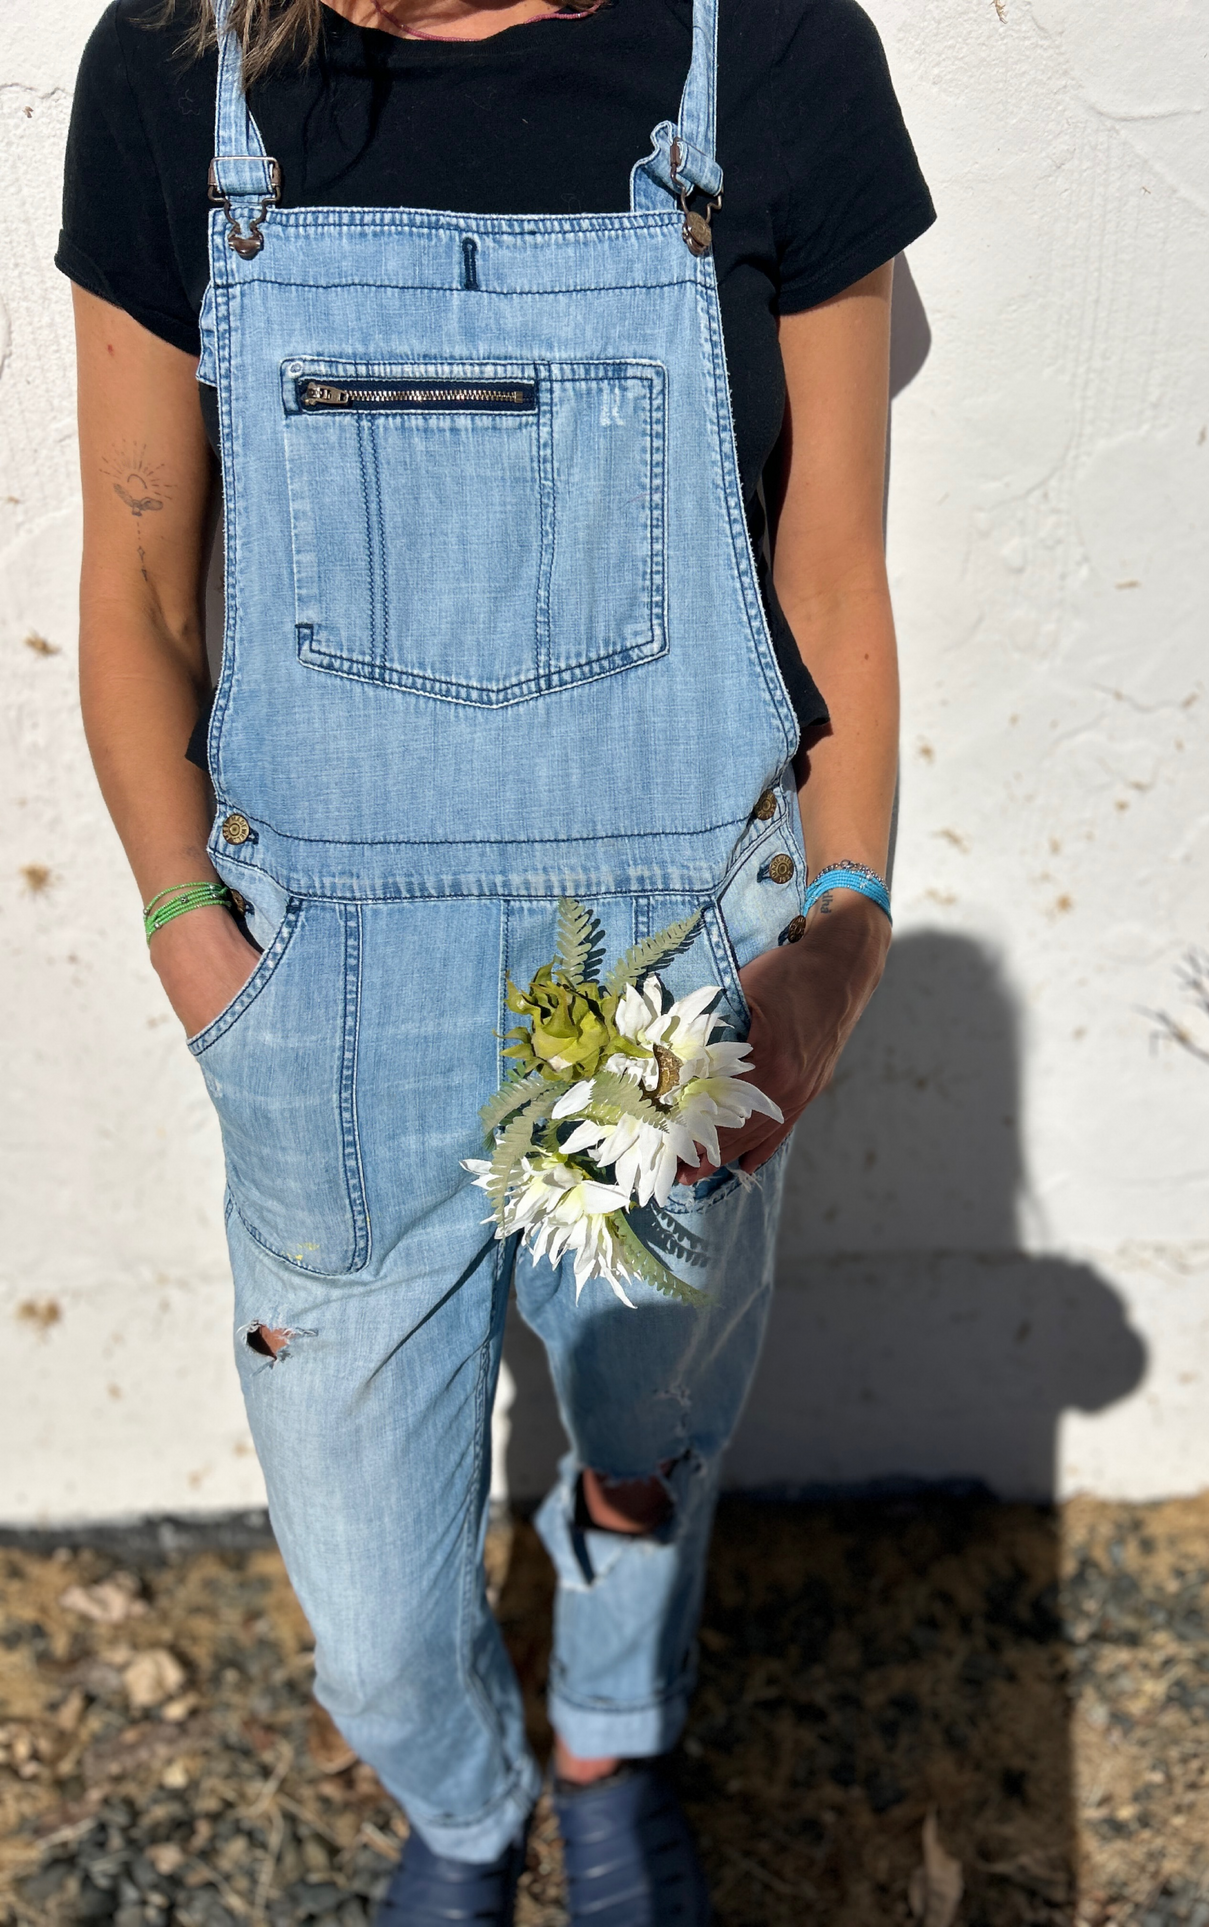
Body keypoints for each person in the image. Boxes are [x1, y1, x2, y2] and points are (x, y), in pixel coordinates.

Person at [60, 0, 932, 1917]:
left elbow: (834, 570)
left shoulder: (767, 58)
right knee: (371, 1609)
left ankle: (612, 1742)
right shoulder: (178, 73)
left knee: (642, 1441)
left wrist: (838, 941)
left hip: (671, 988)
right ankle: (462, 1807)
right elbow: (130, 579)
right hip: (328, 1018)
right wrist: (203, 955)